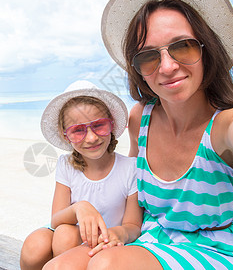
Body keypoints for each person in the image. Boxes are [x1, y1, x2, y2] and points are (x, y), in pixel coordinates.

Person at [48, 0, 233, 269]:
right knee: (58, 266)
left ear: (206, 50)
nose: (168, 66)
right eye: (148, 56)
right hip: (148, 239)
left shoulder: (224, 127)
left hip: (215, 251)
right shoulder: (139, 118)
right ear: (139, 70)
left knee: (106, 266)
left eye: (182, 46)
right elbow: (132, 198)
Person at [20, 80, 142, 270]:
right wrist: (80, 208)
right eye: (78, 131)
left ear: (112, 124)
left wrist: (119, 233)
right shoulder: (66, 165)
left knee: (64, 237)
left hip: (108, 240)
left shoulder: (130, 168)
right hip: (70, 235)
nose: (92, 137)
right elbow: (56, 219)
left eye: (99, 125)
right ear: (65, 136)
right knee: (34, 245)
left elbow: (133, 225)